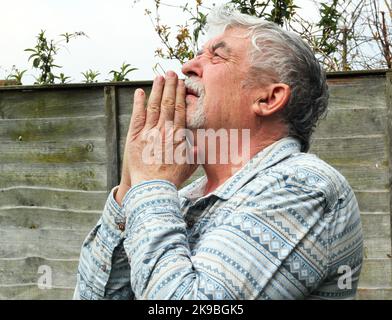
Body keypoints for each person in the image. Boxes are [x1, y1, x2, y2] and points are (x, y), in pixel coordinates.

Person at [73, 6, 363, 300]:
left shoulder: (303, 186)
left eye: (216, 56)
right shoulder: (182, 199)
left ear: (268, 98)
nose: (188, 66)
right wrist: (130, 186)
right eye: (198, 55)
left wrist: (151, 186)